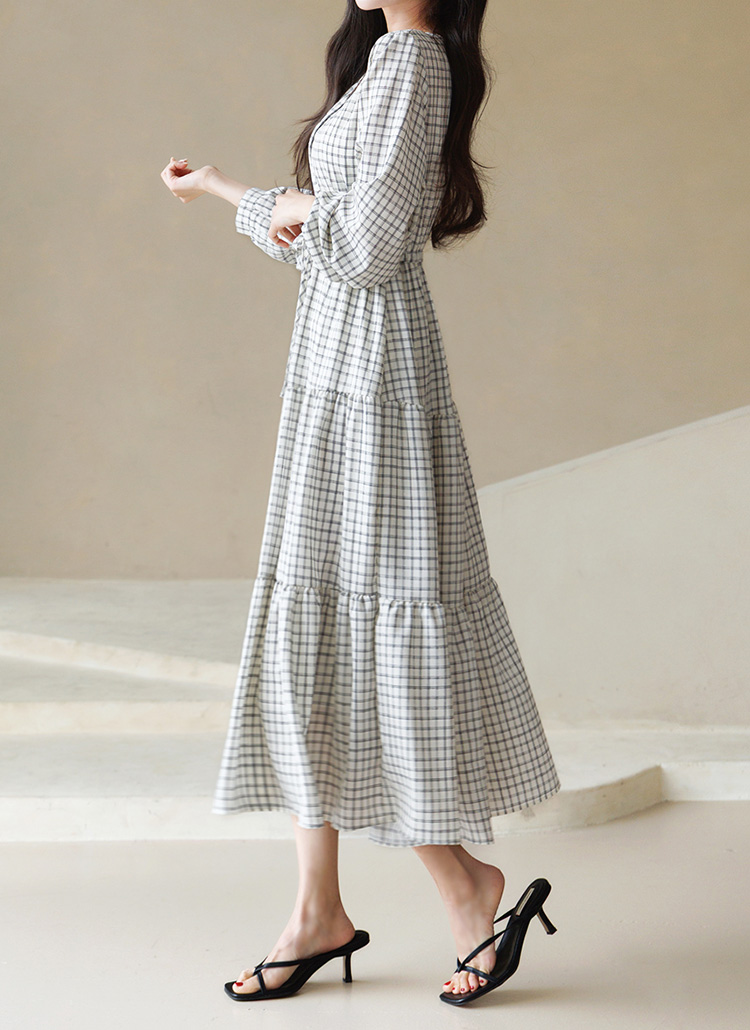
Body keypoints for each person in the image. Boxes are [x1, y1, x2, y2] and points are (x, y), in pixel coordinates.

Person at [161, 0, 561, 1006]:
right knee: (323, 629)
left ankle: (458, 890)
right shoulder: (386, 62)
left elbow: (365, 247)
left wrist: (267, 204)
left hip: (373, 376)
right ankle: (322, 909)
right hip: (337, 363)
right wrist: (234, 193)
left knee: (363, 628)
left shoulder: (414, 63)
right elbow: (327, 234)